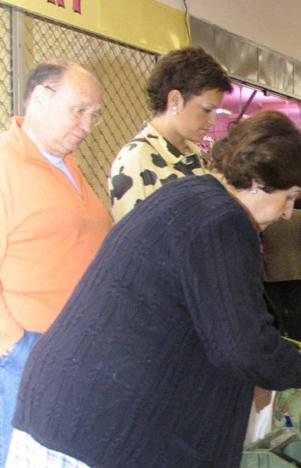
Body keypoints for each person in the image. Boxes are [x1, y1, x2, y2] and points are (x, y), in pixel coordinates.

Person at [9, 111, 301, 467]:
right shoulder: (223, 221)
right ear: (256, 180)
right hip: (101, 431)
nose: (288, 213)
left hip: (67, 413)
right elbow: (241, 345)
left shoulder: (187, 196)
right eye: (288, 197)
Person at [0, 61, 111, 462]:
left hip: (74, 350)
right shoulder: (6, 165)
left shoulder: (67, 166)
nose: (87, 125)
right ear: (40, 98)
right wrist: (15, 346)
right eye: (79, 110)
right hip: (28, 354)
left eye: (94, 116)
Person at [107, 46, 232, 221]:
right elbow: (134, 242)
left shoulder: (197, 157)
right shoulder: (136, 160)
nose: (213, 120)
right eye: (206, 109)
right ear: (175, 100)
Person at [261, 208, 301, 341]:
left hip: (271, 271)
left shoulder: (265, 215)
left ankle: (279, 342)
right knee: (295, 311)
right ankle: (297, 342)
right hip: (295, 270)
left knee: (276, 311)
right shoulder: (298, 215)